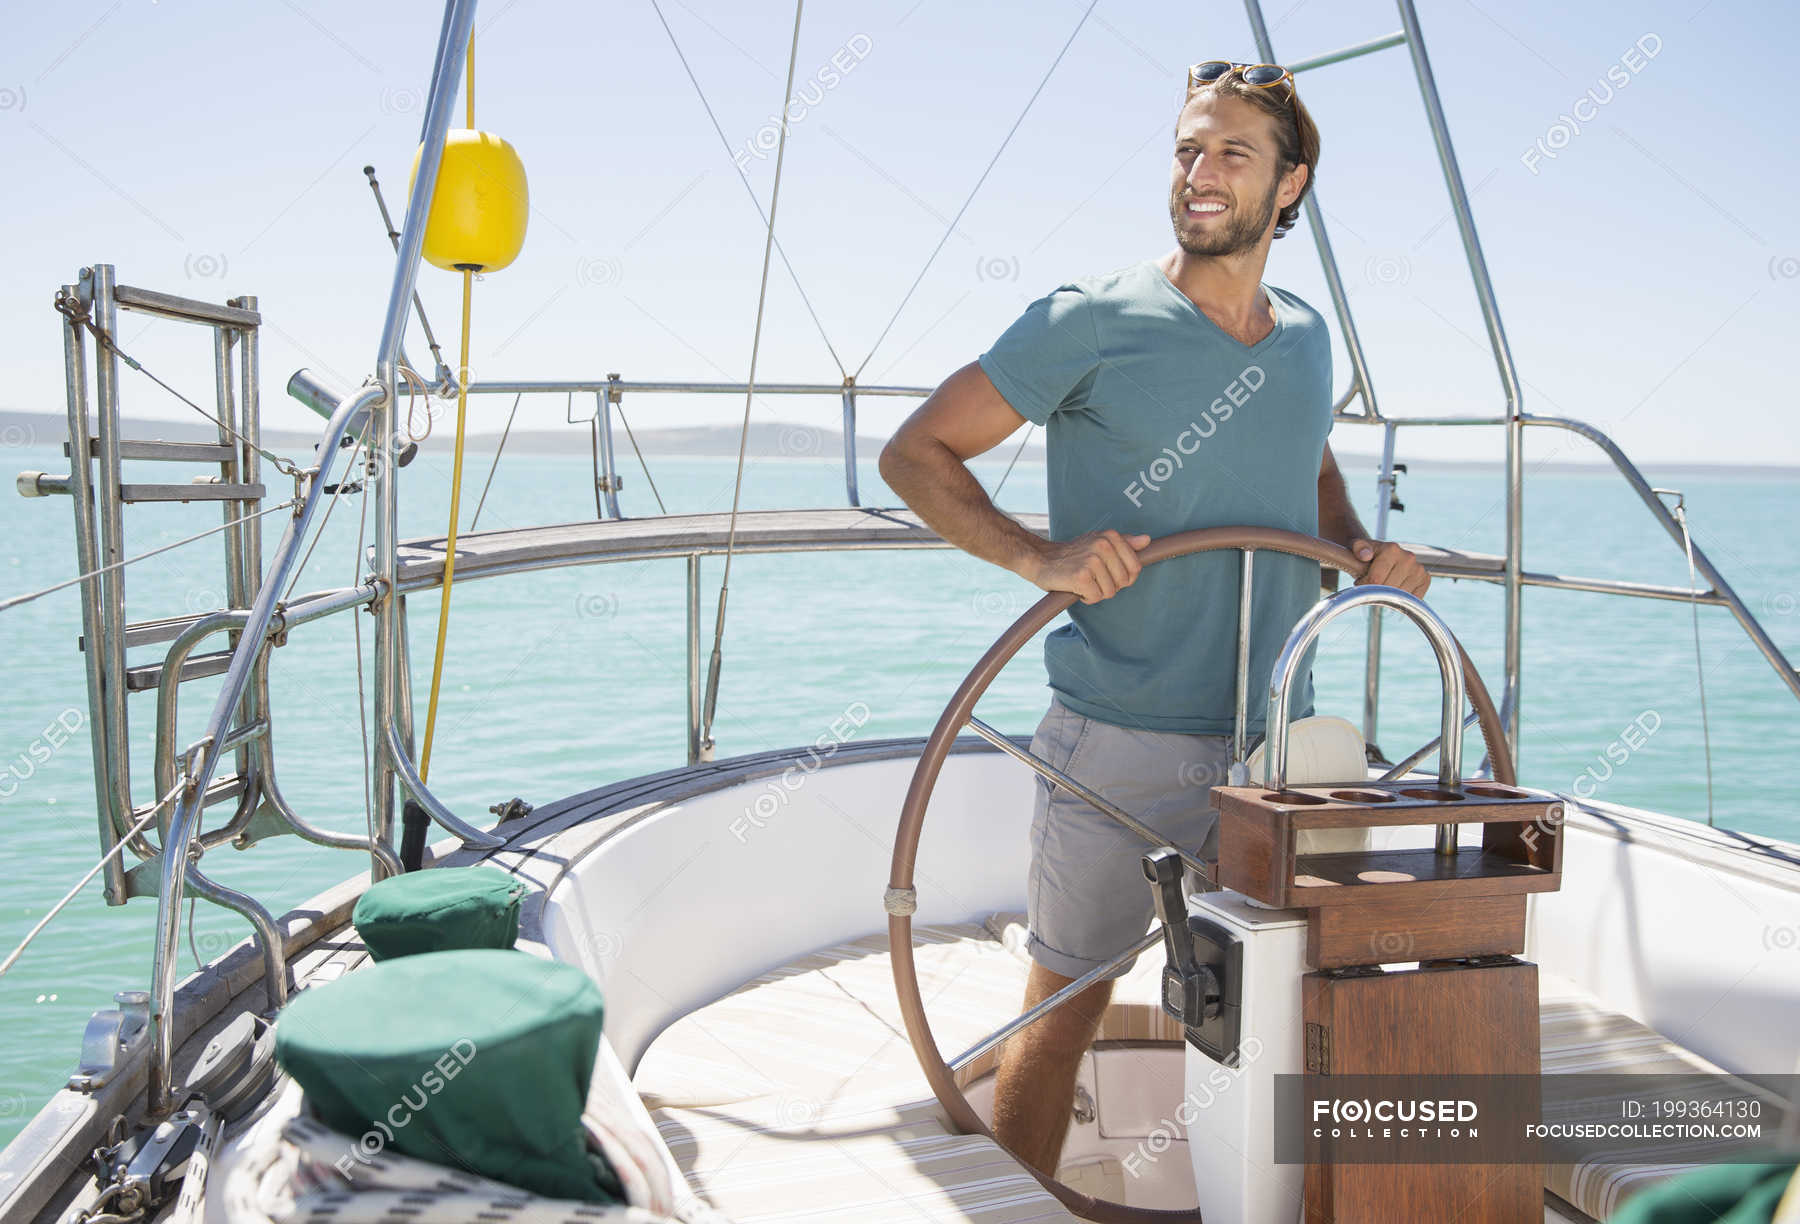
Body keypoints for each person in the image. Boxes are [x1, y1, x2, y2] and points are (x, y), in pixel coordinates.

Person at [878, 61, 1431, 1177]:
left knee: (1289, 1008)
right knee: (1070, 1000)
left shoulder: (1307, 339)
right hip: (1116, 739)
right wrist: (1040, 556)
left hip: (1281, 746)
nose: (1201, 171)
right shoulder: (1090, 321)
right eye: (1188, 148)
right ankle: (1024, 1204)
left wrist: (1356, 548)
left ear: (1290, 185)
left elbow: (1304, 452)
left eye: (1232, 152)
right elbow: (915, 452)